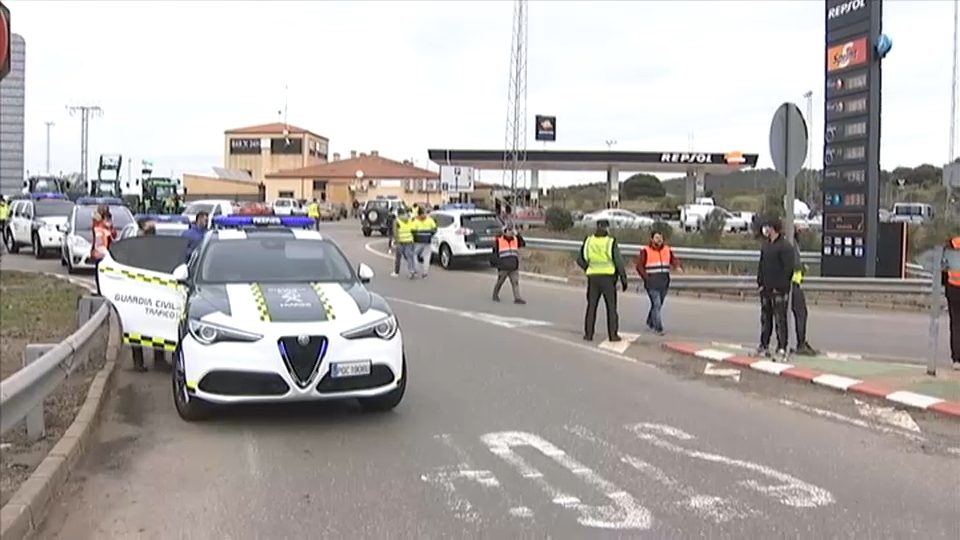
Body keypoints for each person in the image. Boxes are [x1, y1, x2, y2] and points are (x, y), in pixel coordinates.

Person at [576, 219, 628, 342]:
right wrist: (623, 279)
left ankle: (588, 334)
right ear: (607, 228)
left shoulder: (589, 240)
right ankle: (613, 335)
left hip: (593, 277)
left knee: (591, 307)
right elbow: (618, 261)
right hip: (608, 278)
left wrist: (587, 267)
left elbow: (580, 259)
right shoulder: (610, 242)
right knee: (611, 307)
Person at [756, 220, 796, 359]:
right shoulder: (766, 245)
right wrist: (760, 283)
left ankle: (781, 347)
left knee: (780, 319)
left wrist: (781, 286)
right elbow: (761, 265)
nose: (766, 230)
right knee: (765, 319)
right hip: (765, 289)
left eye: (768, 227)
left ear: (773, 229)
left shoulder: (785, 247)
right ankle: (763, 345)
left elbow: (788, 269)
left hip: (778, 290)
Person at [131, 219, 164, 372]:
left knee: (154, 326)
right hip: (141, 292)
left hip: (150, 291)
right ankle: (142, 361)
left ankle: (155, 359)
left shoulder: (154, 247)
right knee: (140, 327)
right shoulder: (137, 247)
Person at [635, 231, 682, 335]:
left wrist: (677, 266)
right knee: (656, 304)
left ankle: (650, 321)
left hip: (664, 283)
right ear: (652, 239)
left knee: (658, 304)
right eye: (656, 238)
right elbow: (639, 267)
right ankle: (658, 328)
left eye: (660, 238)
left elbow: (673, 260)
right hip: (652, 283)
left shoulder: (667, 250)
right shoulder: (645, 251)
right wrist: (647, 278)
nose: (659, 240)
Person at [790, 232, 818, 356]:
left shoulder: (792, 243)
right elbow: (795, 264)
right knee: (801, 313)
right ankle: (800, 343)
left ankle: (797, 342)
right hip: (793, 284)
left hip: (793, 283)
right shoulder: (792, 244)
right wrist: (803, 267)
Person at [491, 224, 527, 304]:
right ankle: (495, 295)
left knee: (515, 282)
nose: (510, 232)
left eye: (511, 230)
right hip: (503, 266)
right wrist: (497, 264)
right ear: (504, 232)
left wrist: (517, 234)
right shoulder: (499, 241)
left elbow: (523, 244)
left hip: (513, 266)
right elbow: (495, 254)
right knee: (500, 282)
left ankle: (517, 298)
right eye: (508, 230)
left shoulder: (515, 240)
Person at [943, 236, 960, 370]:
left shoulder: (951, 244)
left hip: (953, 289)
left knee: (955, 324)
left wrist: (945, 285)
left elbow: (943, 266)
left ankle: (956, 358)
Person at [411, 207, 437, 278]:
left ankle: (416, 269)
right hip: (427, 240)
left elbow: (412, 230)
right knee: (427, 256)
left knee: (414, 254)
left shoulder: (415, 221)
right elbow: (435, 229)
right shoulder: (429, 220)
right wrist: (430, 234)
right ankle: (425, 273)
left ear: (418, 213)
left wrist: (415, 236)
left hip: (418, 241)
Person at [393, 208, 416, 278]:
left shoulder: (397, 221)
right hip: (409, 240)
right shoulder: (409, 219)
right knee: (409, 256)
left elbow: (395, 232)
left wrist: (396, 241)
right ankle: (412, 270)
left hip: (400, 241)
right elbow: (414, 228)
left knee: (398, 257)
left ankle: (396, 272)